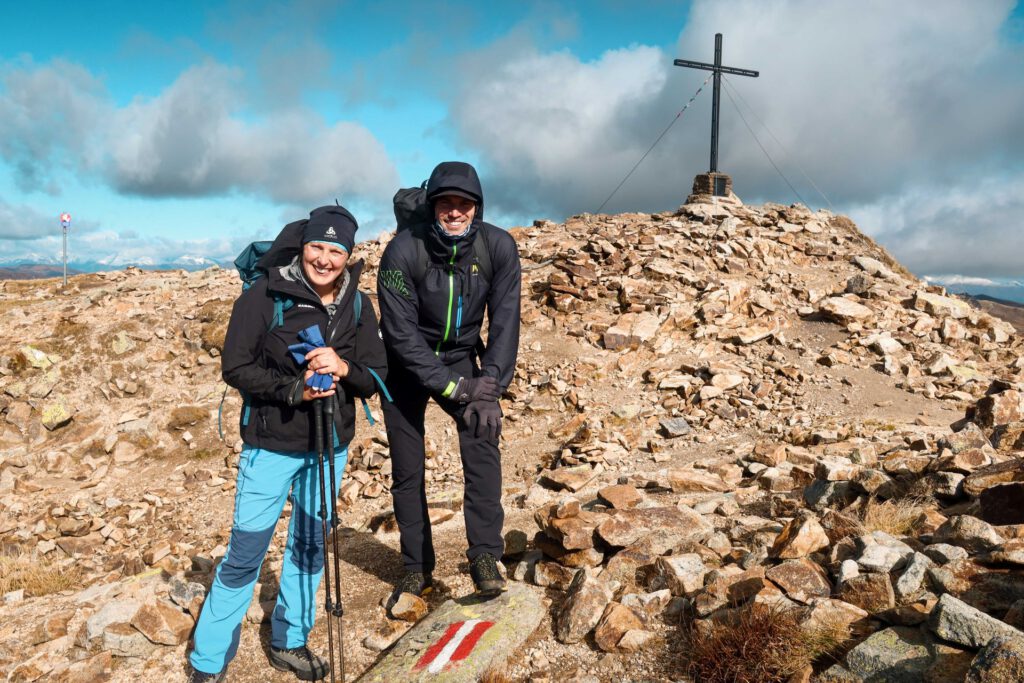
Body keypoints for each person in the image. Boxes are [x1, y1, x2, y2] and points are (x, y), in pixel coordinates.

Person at [187, 206, 387, 682]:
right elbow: (235, 367)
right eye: (317, 246)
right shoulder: (264, 296)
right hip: (271, 445)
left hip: (328, 447)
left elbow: (376, 374)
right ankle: (208, 661)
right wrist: (293, 389)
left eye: (336, 250)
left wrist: (343, 368)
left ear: (349, 255)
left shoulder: (359, 305)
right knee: (246, 553)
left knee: (309, 547)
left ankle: (290, 640)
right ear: (303, 246)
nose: (324, 259)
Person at [376, 161, 521, 614]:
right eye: (446, 204)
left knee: (482, 444)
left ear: (477, 207)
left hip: (463, 355)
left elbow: (506, 322)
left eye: (464, 204)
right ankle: (416, 565)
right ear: (433, 206)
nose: (455, 212)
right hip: (404, 366)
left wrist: (490, 385)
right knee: (407, 467)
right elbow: (399, 336)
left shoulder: (498, 246)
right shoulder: (402, 251)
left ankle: (484, 556)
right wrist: (457, 389)